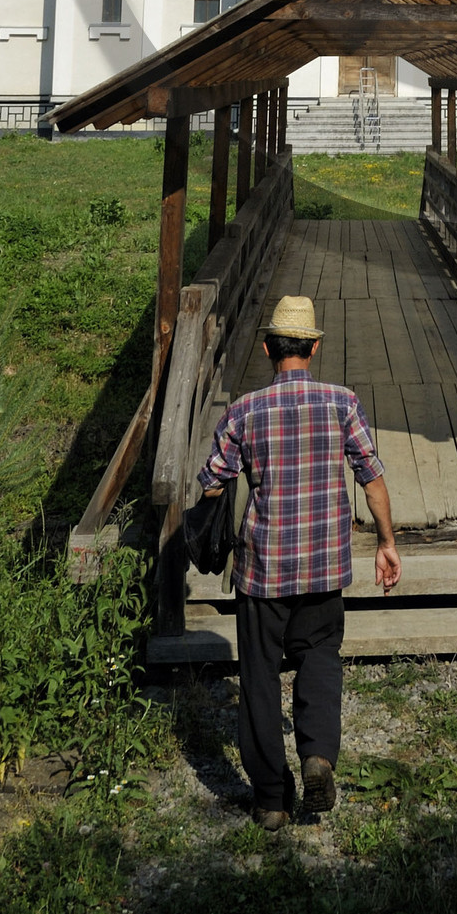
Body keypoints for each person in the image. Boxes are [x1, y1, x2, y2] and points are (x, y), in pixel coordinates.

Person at [195, 293, 400, 832]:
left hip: (262, 567)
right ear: (313, 348)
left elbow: (212, 481)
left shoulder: (244, 411)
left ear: (268, 349)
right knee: (320, 657)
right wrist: (386, 542)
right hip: (324, 565)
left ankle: (270, 800)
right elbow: (372, 479)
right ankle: (318, 756)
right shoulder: (342, 403)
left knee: (259, 677)